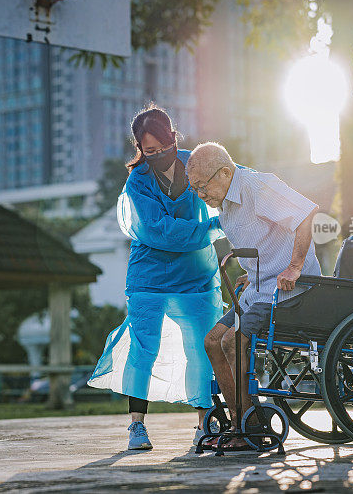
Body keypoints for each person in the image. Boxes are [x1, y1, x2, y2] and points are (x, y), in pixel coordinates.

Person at [88, 106, 224, 450]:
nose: (157, 157)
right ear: (140, 149)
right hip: (150, 276)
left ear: (173, 139)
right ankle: (136, 426)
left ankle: (204, 424)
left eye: (162, 149)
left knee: (202, 349)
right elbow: (158, 231)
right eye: (148, 152)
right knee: (143, 347)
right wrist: (211, 227)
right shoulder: (138, 180)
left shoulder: (197, 162)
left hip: (195, 275)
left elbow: (231, 177)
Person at [185, 142, 321, 449]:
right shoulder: (225, 201)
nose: (200, 195)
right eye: (194, 189)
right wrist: (255, 271)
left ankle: (252, 427)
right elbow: (264, 237)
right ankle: (238, 422)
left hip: (288, 290)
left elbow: (305, 214)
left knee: (232, 341)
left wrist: (295, 267)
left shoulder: (258, 186)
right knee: (212, 341)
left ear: (224, 173)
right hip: (260, 288)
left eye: (202, 187)